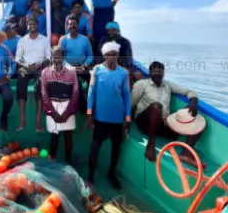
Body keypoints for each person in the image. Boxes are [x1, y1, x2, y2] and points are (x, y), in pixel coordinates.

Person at [131, 61, 201, 162]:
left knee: (196, 116)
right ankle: (151, 144)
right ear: (150, 73)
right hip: (144, 123)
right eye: (154, 71)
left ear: (163, 73)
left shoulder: (168, 85)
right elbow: (131, 103)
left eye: (160, 71)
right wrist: (127, 122)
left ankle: (186, 153)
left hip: (163, 124)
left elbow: (189, 91)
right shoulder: (141, 84)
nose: (158, 74)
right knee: (156, 106)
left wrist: (193, 102)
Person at [86, 42, 131, 189]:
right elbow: (91, 93)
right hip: (100, 118)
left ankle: (111, 174)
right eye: (109, 54)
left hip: (117, 118)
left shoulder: (124, 73)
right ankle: (90, 175)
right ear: (104, 55)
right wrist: (89, 113)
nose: (112, 57)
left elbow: (126, 96)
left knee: (116, 147)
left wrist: (128, 118)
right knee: (95, 146)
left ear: (118, 55)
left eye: (114, 54)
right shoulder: (97, 70)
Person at [41, 46, 79, 164]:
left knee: (68, 137)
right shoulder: (45, 72)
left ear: (63, 57)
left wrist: (67, 113)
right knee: (54, 137)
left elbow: (75, 93)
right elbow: (44, 94)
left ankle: (69, 164)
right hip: (52, 106)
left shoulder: (72, 72)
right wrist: (52, 113)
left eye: (59, 56)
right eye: (54, 56)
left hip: (67, 106)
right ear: (51, 57)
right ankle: (52, 165)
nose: (56, 59)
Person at [15, 17, 51, 132]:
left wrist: (39, 65)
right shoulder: (22, 40)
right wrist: (26, 66)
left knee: (41, 83)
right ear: (27, 26)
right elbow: (18, 59)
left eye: (34, 24)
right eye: (29, 24)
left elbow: (49, 58)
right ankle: (22, 118)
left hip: (40, 67)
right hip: (26, 67)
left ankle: (38, 120)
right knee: (20, 81)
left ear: (38, 25)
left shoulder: (44, 40)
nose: (32, 26)